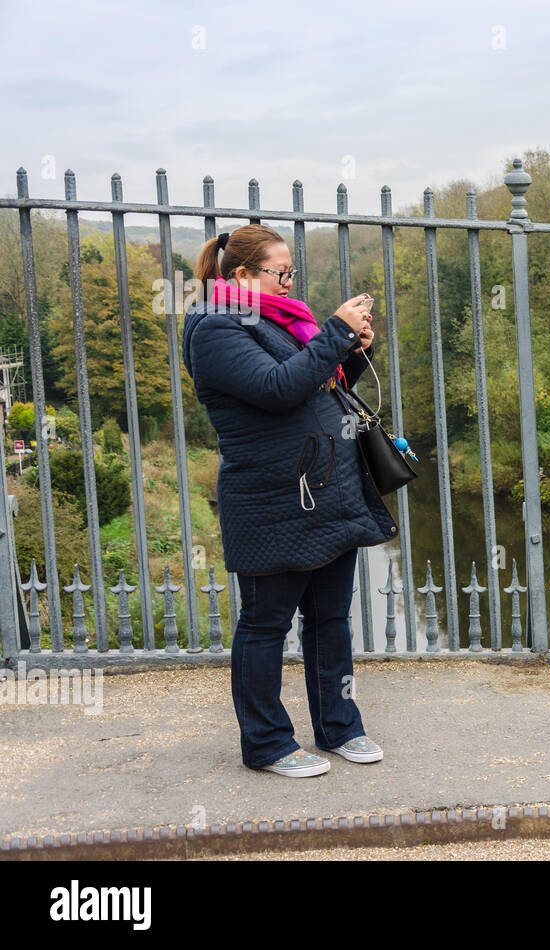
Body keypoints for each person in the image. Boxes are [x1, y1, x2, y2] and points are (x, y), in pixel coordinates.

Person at [181, 224, 398, 778]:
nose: (288, 280)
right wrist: (333, 332)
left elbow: (313, 383)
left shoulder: (279, 319)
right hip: (271, 500)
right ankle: (268, 743)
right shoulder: (214, 327)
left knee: (330, 619)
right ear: (242, 275)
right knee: (264, 625)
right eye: (279, 272)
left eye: (289, 271)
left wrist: (347, 352)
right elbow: (275, 389)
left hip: (326, 490)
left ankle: (339, 728)